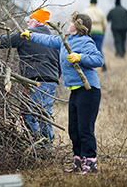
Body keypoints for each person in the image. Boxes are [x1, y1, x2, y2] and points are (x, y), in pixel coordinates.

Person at [21, 11, 104, 175]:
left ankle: (91, 162)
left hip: (88, 91)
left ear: (79, 25)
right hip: (75, 91)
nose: (69, 24)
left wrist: (80, 57)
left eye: (72, 22)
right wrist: (30, 35)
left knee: (85, 129)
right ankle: (78, 160)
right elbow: (48, 40)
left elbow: (98, 59)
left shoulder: (85, 41)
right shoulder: (66, 40)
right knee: (74, 129)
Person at [0, 7, 61, 143]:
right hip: (52, 81)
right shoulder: (55, 40)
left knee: (28, 113)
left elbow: (0, 41)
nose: (28, 20)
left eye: (31, 18)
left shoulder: (26, 35)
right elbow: (61, 63)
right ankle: (46, 146)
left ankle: (36, 143)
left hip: (34, 81)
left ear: (38, 22)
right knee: (45, 115)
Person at [84, 0, 108, 71]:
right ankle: (102, 63)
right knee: (99, 49)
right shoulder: (100, 11)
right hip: (99, 32)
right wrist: (103, 31)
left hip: (89, 31)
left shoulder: (86, 11)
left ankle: (88, 65)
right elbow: (105, 23)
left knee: (88, 49)